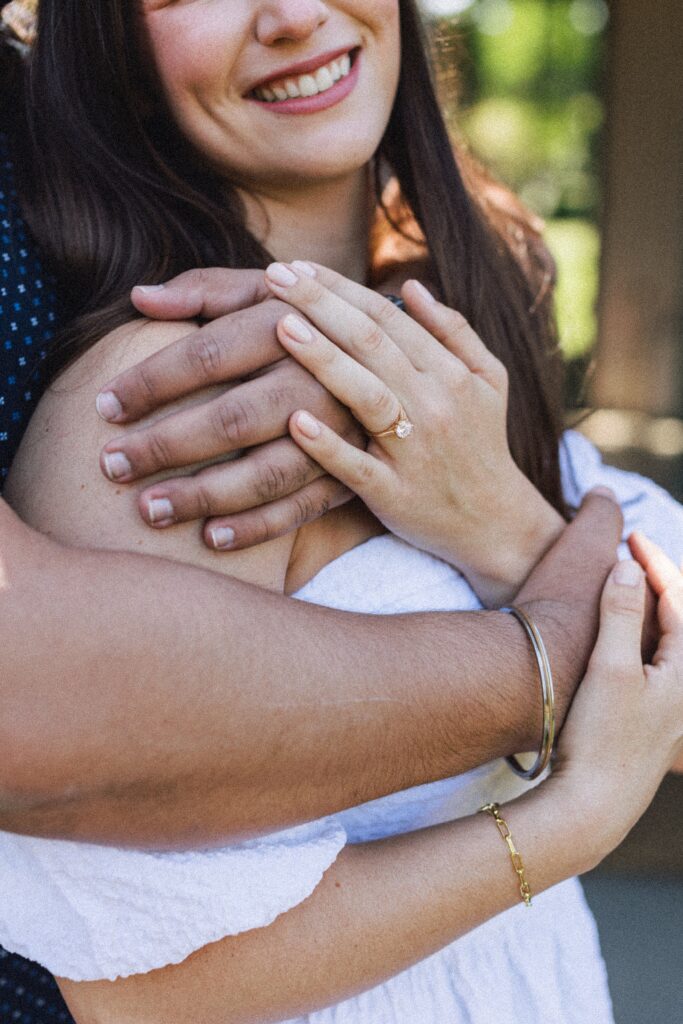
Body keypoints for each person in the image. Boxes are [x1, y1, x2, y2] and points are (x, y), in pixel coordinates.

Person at [0, 1, 681, 1022]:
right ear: (114, 52)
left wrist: (496, 522)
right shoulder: (176, 400)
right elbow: (135, 992)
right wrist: (568, 822)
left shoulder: (453, 301)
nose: (292, 13)